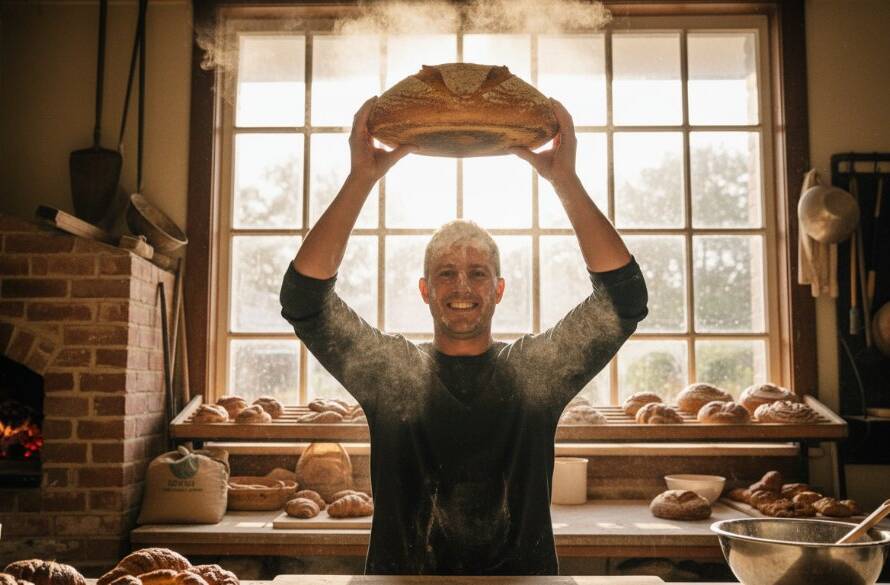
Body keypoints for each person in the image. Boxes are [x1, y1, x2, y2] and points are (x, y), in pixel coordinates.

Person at [280, 96, 648, 575]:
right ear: (425, 290)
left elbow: (624, 300)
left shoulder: (534, 372)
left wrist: (565, 180)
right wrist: (361, 178)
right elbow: (304, 300)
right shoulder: (392, 373)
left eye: (477, 273)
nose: (461, 287)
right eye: (446, 273)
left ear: (498, 290)